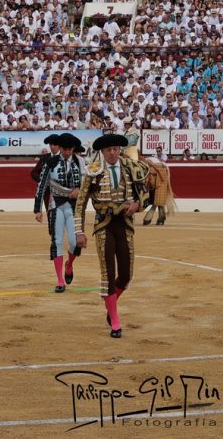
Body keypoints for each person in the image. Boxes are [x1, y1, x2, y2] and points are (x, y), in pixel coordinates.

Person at [73, 133, 150, 338]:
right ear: (102, 152)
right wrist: (79, 232)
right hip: (103, 225)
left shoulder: (131, 167)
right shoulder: (93, 171)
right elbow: (80, 204)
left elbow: (144, 194)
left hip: (125, 224)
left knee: (125, 276)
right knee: (108, 274)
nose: (113, 153)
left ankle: (111, 305)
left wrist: (138, 204)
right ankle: (115, 321)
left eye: (116, 149)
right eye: (109, 150)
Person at [34, 133, 86, 293]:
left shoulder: (80, 161)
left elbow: (86, 184)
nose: (67, 152)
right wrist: (38, 208)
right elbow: (42, 185)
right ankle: (60, 280)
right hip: (55, 204)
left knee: (73, 241)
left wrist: (80, 190)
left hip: (73, 207)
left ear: (73, 148)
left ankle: (69, 265)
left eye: (70, 149)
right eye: (64, 149)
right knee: (57, 241)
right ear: (61, 148)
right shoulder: (50, 162)